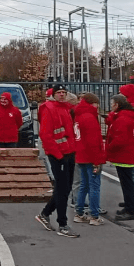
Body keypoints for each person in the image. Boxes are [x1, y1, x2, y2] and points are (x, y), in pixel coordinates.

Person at [36, 84, 79, 238]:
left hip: (69, 152)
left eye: (64, 92)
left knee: (65, 189)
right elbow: (46, 135)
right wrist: (58, 155)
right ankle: (63, 224)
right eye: (59, 92)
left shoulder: (66, 108)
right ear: (53, 94)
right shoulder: (49, 108)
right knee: (62, 189)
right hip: (58, 154)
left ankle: (45, 213)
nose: (62, 95)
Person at [72, 92, 105, 226]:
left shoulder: (78, 116)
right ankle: (94, 215)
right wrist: (97, 160)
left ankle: (79, 213)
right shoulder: (90, 117)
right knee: (94, 186)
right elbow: (93, 141)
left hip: (80, 155)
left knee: (83, 185)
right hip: (91, 156)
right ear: (93, 104)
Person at [106, 94, 134, 220]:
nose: (111, 106)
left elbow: (119, 139)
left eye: (112, 104)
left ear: (117, 105)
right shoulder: (127, 116)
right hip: (128, 153)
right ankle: (128, 205)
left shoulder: (122, 119)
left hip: (124, 155)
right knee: (127, 182)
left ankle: (130, 210)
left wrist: (108, 147)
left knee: (127, 183)